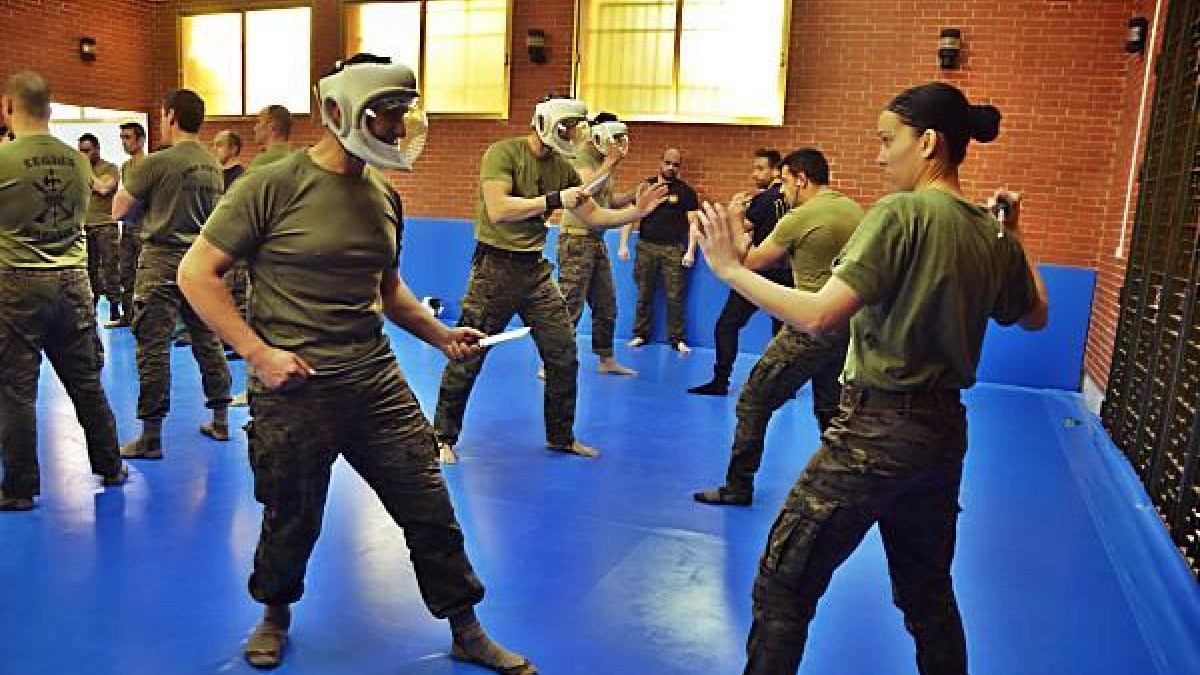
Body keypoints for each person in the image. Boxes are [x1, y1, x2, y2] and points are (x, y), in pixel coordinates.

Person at [178, 53, 536, 674]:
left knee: (429, 505)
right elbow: (196, 272)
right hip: (294, 389)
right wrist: (257, 353)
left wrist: (440, 334)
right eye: (387, 117)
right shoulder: (271, 185)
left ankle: (466, 627)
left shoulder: (383, 195)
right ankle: (274, 614)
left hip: (375, 381)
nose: (398, 130)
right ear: (342, 113)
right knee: (292, 515)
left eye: (403, 117)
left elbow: (389, 288)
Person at [693, 82, 1049, 675]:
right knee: (927, 595)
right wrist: (1011, 232)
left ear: (928, 141)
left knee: (784, 585)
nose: (881, 157)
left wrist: (730, 269)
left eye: (888, 141)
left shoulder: (901, 212)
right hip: (942, 438)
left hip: (875, 435)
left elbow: (819, 315)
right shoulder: (987, 232)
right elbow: (1035, 314)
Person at [433, 95, 667, 463]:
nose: (573, 135)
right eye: (568, 128)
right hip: (494, 267)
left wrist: (636, 211)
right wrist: (554, 199)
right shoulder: (503, 153)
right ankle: (442, 436)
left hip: (534, 269)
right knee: (471, 351)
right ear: (546, 124)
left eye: (577, 129)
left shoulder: (563, 167)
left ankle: (561, 436)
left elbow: (593, 215)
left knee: (563, 353)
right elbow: (499, 208)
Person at [693, 149, 863, 507]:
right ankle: (841, 486)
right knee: (831, 409)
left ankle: (738, 486)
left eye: (785, 182)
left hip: (810, 325)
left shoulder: (799, 218)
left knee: (753, 401)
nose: (782, 191)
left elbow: (748, 264)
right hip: (846, 325)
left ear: (801, 178)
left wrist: (737, 221)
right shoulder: (853, 210)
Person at [0, 71, 128, 511]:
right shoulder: (77, 161)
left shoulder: (3, 158)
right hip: (74, 281)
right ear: (50, 109)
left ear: (7, 107)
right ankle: (111, 466)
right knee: (86, 381)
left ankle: (19, 488)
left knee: (15, 390)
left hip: (17, 282)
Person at [112, 89, 232, 459]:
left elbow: (119, 210)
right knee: (207, 339)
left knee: (152, 346)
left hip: (161, 260)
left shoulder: (158, 162)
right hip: (200, 261)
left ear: (171, 116)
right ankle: (221, 419)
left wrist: (146, 213)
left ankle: (150, 436)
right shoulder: (213, 164)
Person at [689, 148, 793, 395]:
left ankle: (720, 380)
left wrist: (732, 211)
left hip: (761, 270)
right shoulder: (790, 200)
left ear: (776, 171)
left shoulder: (765, 199)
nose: (755, 174)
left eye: (761, 169)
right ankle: (784, 384)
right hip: (788, 272)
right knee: (782, 330)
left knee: (727, 324)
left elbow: (742, 228)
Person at [551, 111, 638, 377]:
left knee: (606, 304)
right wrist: (610, 163)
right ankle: (551, 361)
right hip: (576, 240)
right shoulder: (582, 158)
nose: (618, 145)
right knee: (569, 304)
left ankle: (606, 359)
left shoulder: (602, 164)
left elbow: (608, 203)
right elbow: (583, 191)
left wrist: (637, 195)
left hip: (596, 241)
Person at [620, 148, 699, 353]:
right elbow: (630, 215)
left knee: (675, 296)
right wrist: (622, 244)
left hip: (673, 249)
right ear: (660, 162)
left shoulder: (686, 192)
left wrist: (690, 251)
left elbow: (693, 224)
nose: (671, 168)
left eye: (676, 165)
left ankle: (677, 339)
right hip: (646, 246)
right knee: (644, 292)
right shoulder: (645, 187)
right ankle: (640, 334)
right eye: (668, 163)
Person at [78, 132, 122, 324]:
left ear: (96, 149)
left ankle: (115, 308)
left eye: (87, 150)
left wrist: (85, 171)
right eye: (80, 151)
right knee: (89, 270)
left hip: (106, 226)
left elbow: (104, 188)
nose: (84, 154)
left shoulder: (110, 168)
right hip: (85, 227)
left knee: (111, 268)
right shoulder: (80, 170)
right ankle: (91, 308)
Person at [108, 121, 147, 328]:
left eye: (128, 137)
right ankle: (128, 315)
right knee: (126, 271)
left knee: (144, 274)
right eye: (122, 138)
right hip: (128, 226)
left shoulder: (149, 164)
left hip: (144, 226)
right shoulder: (125, 167)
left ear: (141, 140)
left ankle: (144, 319)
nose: (124, 142)